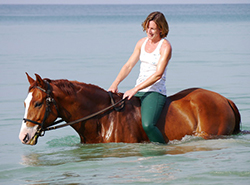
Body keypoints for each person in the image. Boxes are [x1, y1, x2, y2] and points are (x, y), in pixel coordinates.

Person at [108, 12, 172, 144]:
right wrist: (115, 83)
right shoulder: (141, 43)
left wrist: (134, 89)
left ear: (161, 29)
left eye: (153, 28)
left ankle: (162, 150)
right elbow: (129, 65)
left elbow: (158, 75)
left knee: (148, 125)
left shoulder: (165, 47)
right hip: (138, 90)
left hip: (154, 91)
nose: (149, 31)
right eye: (147, 27)